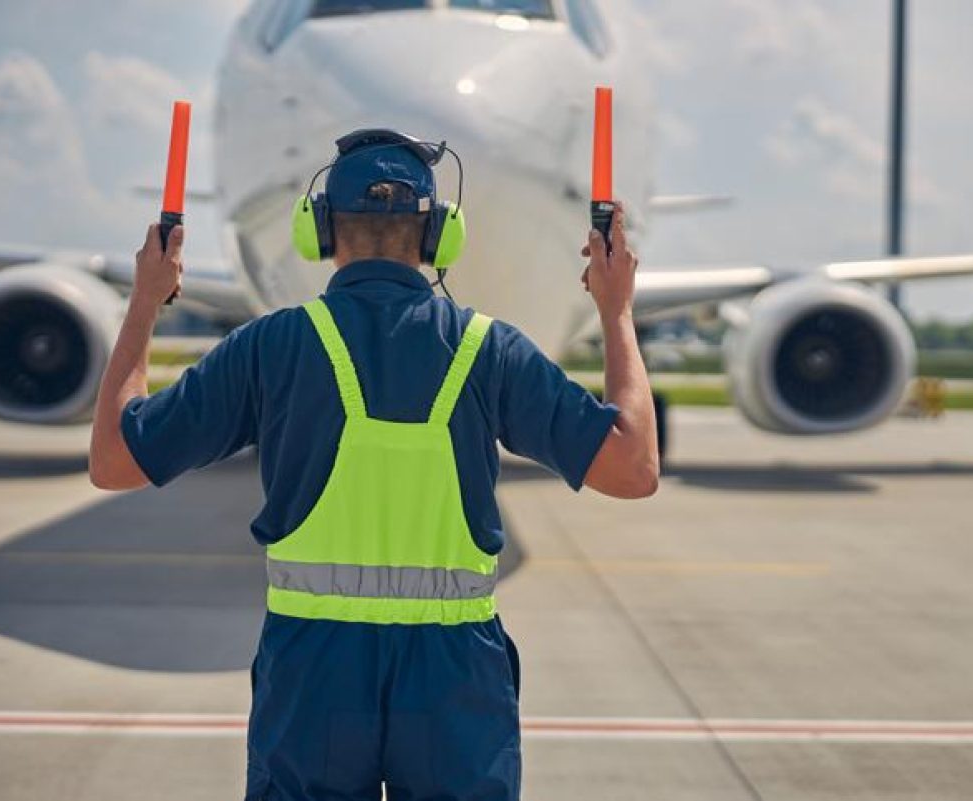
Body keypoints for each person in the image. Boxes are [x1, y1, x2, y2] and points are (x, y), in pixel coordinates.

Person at [88, 130, 658, 801]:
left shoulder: (270, 346)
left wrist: (145, 303)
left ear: (320, 230)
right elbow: (633, 467)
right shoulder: (488, 350)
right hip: (454, 675)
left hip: (313, 670)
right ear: (440, 235)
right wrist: (616, 311)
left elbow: (114, 461)